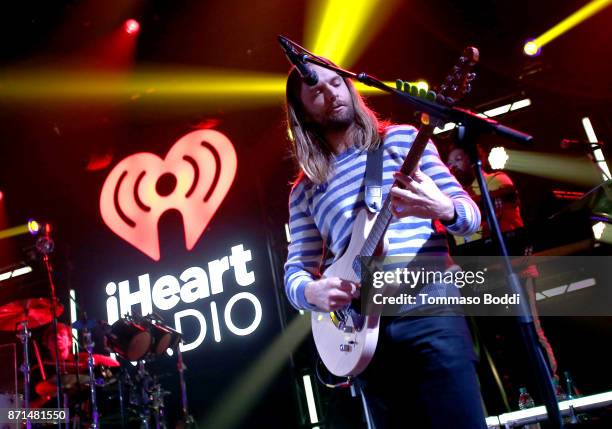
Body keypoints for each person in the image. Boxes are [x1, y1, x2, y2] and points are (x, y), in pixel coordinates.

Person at [283, 59, 487, 428]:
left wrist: (441, 207)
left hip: (430, 309)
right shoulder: (305, 190)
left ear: (351, 88)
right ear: (303, 113)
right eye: (316, 91)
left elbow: (470, 216)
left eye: (335, 83)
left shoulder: (402, 139)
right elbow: (295, 272)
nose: (330, 93)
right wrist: (313, 291)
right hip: (362, 334)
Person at [446, 146, 559, 385]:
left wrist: (450, 205)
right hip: (482, 275)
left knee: (529, 331)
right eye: (449, 162)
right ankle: (521, 394)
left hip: (514, 268)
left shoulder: (496, 180)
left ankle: (553, 387)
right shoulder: (457, 194)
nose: (453, 165)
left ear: (475, 158)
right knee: (501, 340)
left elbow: (499, 209)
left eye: (459, 158)